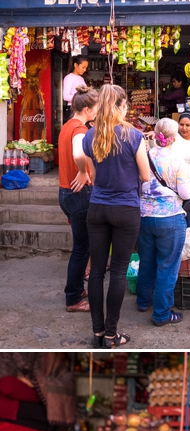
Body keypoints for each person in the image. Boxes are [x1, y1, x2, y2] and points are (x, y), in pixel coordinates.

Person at [79, 83, 153, 349]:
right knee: (119, 272)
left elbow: (93, 174)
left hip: (97, 207)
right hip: (126, 209)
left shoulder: (91, 135)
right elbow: (145, 176)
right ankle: (112, 335)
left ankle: (97, 333)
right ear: (121, 105)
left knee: (97, 271)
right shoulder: (133, 135)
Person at [136, 119, 190, 328]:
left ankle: (143, 302)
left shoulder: (142, 156)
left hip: (143, 218)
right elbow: (187, 193)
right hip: (170, 219)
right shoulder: (177, 161)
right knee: (167, 267)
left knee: (147, 262)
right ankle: (161, 314)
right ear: (174, 137)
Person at [57, 88, 99, 314]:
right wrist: (83, 172)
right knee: (81, 250)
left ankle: (76, 290)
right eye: (96, 108)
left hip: (65, 193)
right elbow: (77, 154)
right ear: (87, 109)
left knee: (80, 247)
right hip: (78, 194)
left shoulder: (66, 126)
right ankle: (73, 298)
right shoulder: (80, 129)